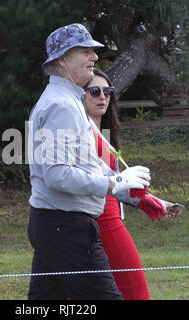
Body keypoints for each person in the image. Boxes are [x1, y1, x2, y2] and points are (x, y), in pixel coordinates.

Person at [26, 23, 152, 300]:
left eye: (92, 51)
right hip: (66, 227)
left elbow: (83, 161)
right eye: (85, 51)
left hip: (55, 224)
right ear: (61, 60)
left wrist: (125, 187)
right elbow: (57, 176)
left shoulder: (67, 100)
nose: (94, 57)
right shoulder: (62, 105)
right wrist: (113, 182)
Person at [84, 68, 184, 299]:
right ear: (82, 95)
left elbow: (118, 184)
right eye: (95, 91)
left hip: (105, 216)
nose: (103, 97)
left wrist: (154, 200)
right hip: (103, 219)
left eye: (108, 91)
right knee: (134, 287)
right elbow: (109, 183)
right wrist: (146, 200)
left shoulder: (102, 133)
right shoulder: (85, 132)